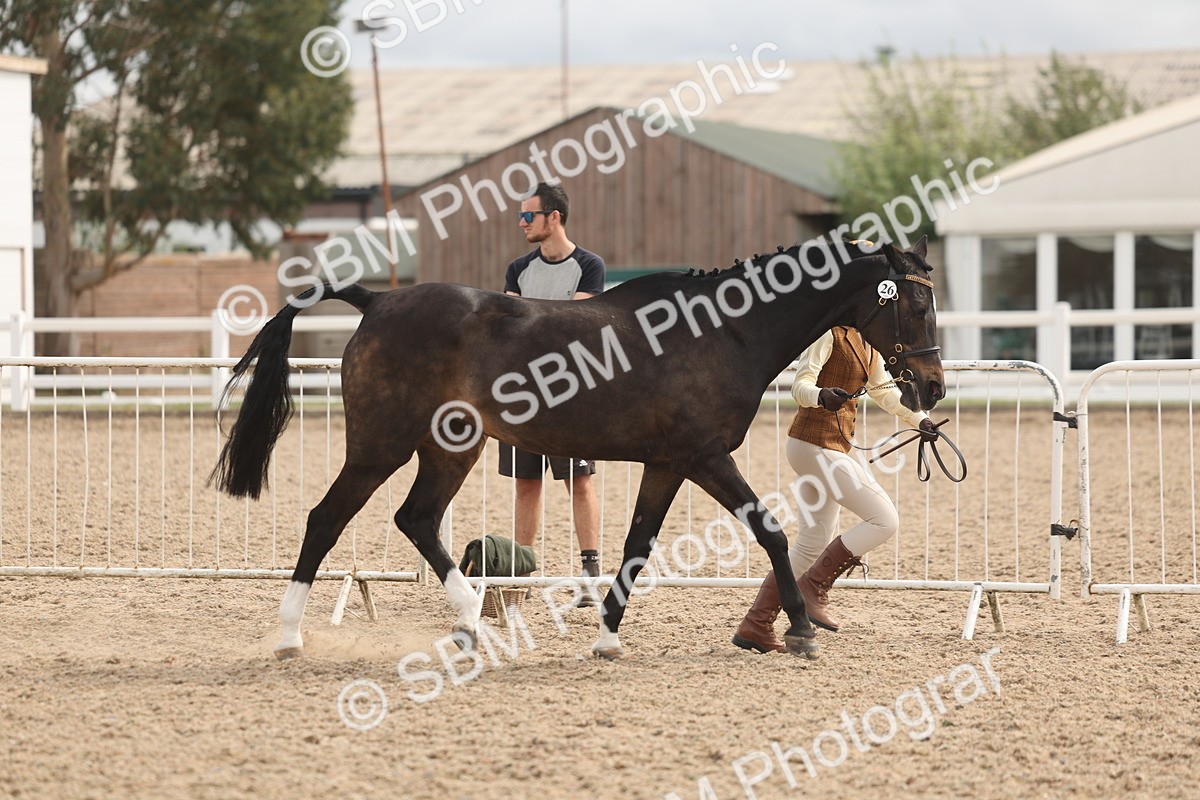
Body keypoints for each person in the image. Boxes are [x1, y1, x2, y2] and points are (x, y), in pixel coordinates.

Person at [732, 324, 937, 652]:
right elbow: (800, 386)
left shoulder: (869, 341)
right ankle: (813, 587)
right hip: (812, 446)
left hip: (835, 446)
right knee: (884, 520)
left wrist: (921, 419)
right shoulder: (828, 334)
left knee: (811, 544)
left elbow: (883, 390)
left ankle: (755, 624)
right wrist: (820, 395)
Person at [500, 182, 606, 605]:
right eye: (521, 215)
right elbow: (511, 332)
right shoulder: (517, 268)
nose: (521, 222)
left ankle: (590, 574)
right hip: (522, 393)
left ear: (553, 218)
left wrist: (534, 322)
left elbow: (574, 328)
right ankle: (521, 576)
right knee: (526, 485)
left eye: (528, 215)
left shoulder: (589, 265)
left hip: (570, 393)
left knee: (579, 482)